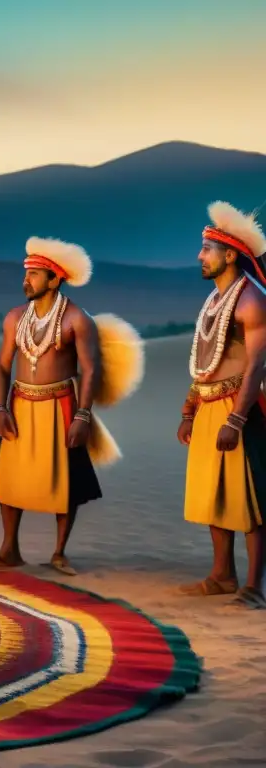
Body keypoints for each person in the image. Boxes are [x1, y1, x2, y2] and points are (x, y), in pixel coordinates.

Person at [0, 236, 140, 576]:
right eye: (26, 274)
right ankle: (9, 549)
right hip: (21, 404)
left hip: (61, 406)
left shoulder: (77, 320)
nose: (26, 281)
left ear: (55, 279)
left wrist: (83, 414)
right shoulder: (14, 318)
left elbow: (91, 369)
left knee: (66, 481)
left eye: (35, 275)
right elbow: (3, 366)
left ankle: (59, 552)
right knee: (7, 479)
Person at [178, 201, 266, 609]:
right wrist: (189, 407)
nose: (199, 256)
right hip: (211, 406)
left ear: (230, 255)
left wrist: (236, 418)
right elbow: (206, 359)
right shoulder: (215, 300)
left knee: (250, 497)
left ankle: (254, 586)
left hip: (242, 408)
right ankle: (222, 575)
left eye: (207, 249)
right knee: (215, 495)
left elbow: (255, 367)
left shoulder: (252, 301)